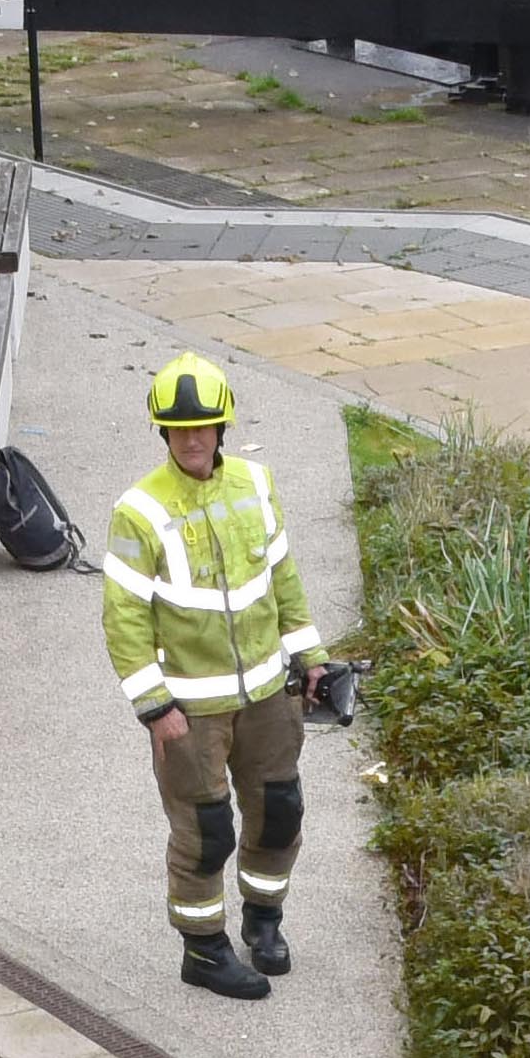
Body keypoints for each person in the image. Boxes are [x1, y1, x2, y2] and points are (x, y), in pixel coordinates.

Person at [107, 354, 321, 1003]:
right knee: (207, 833)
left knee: (278, 814)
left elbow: (281, 576)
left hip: (266, 697)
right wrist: (154, 707)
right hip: (190, 711)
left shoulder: (255, 484)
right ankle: (203, 950)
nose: (192, 438)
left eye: (203, 426)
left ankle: (264, 923)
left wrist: (309, 655)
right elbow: (123, 617)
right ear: (162, 433)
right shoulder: (139, 510)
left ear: (222, 427)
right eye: (178, 429)